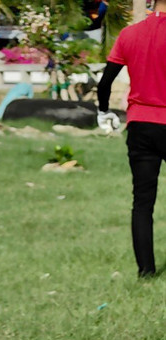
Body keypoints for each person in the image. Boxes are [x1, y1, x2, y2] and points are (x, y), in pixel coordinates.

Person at [97, 2, 166, 277]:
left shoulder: (129, 34)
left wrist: (103, 111)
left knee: (142, 202)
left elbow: (105, 83)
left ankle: (146, 271)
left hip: (140, 125)